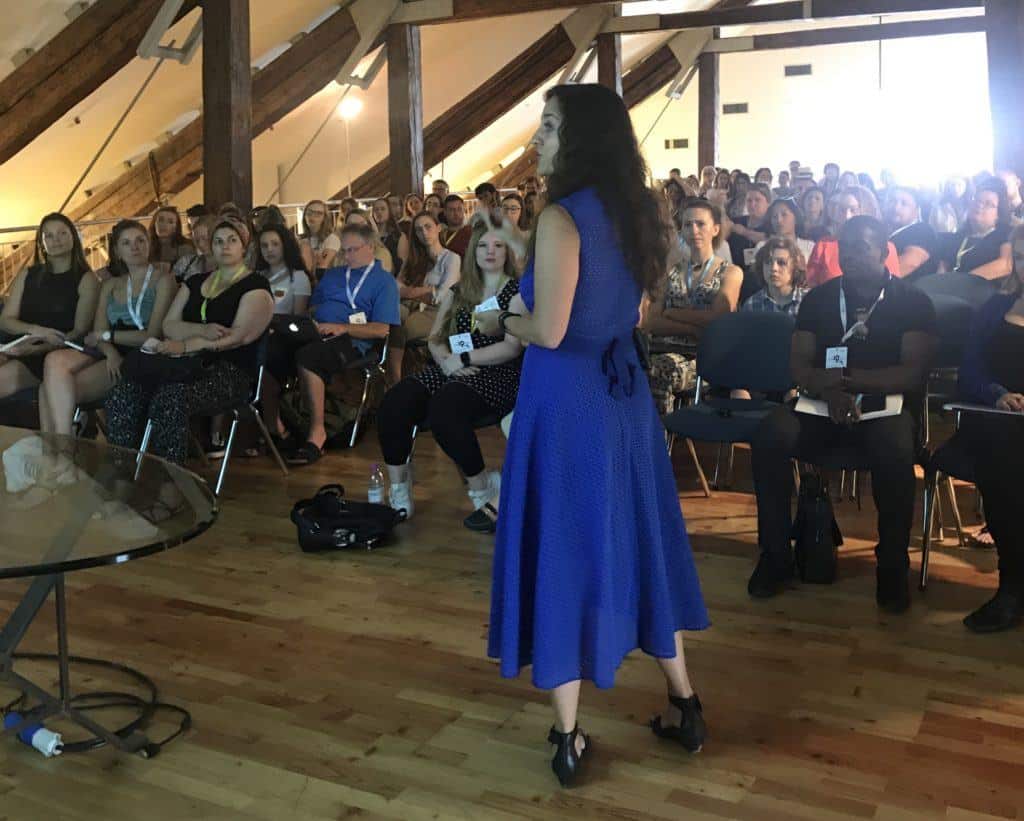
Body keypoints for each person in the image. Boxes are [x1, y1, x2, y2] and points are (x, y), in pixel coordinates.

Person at [477, 84, 708, 788]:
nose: (537, 136)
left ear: (579, 137)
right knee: (636, 540)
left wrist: (497, 323)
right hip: (623, 395)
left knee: (565, 550)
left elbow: (548, 329)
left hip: (569, 399)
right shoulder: (638, 210)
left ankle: (569, 734)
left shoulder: (562, 216)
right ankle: (686, 703)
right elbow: (633, 314)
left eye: (548, 125)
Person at [748, 216, 936, 612]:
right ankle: (776, 556)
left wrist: (848, 381)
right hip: (824, 405)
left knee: (896, 448)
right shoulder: (819, 299)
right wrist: (831, 390)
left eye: (861, 247)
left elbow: (912, 372)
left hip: (885, 409)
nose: (850, 255)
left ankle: (891, 566)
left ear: (884, 248)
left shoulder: (911, 301)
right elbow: (799, 366)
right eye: (845, 247)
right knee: (771, 433)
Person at [377, 217, 523, 530]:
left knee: (446, 409)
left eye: (498, 245)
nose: (490, 252)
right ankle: (400, 488)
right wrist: (445, 361)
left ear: (508, 251)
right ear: (473, 251)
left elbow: (512, 348)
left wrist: (464, 359)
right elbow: (435, 338)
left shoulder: (517, 291)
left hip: (498, 372)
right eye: (482, 245)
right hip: (451, 366)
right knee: (396, 400)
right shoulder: (460, 290)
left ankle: (482, 489)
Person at [105, 218, 275, 465]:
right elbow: (169, 326)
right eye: (218, 241)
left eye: (232, 241)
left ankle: (171, 482)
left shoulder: (256, 285)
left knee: (169, 399)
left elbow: (236, 337)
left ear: (244, 247)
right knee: (122, 393)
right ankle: (124, 472)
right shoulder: (195, 282)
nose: (224, 247)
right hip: (181, 365)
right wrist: (202, 331)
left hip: (228, 371)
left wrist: (186, 343)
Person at [40, 220, 175, 436]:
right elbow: (98, 332)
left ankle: (62, 450)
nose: (135, 247)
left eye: (140, 240)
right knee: (51, 374)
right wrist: (110, 350)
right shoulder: (111, 285)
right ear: (117, 251)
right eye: (126, 243)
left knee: (53, 390)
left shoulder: (163, 280)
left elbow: (152, 334)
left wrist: (107, 337)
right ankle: (55, 450)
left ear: (149, 245)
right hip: (111, 350)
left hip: (143, 352)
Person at [956, 223, 1024, 632]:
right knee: (1003, 454)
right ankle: (1012, 587)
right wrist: (998, 393)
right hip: (995, 420)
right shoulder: (993, 309)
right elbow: (968, 372)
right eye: (1021, 256)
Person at [286, 223, 399, 465]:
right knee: (274, 350)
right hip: (319, 331)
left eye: (352, 250)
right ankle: (279, 429)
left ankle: (317, 433)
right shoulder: (335, 275)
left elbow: (381, 329)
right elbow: (313, 307)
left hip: (354, 340)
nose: (346, 256)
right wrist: (313, 322)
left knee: (310, 356)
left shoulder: (384, 281)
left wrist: (342, 327)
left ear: (370, 248)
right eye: (343, 251)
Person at [644, 199, 743, 415]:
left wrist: (671, 313)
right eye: (687, 225)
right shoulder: (669, 271)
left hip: (704, 358)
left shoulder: (731, 272)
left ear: (715, 229)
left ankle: (658, 444)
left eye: (700, 224)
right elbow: (651, 320)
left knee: (659, 371)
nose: (693, 230)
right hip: (660, 350)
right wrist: (693, 328)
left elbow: (718, 317)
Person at [0, 213, 101, 402]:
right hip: (17, 345)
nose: (56, 240)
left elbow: (78, 332)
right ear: (42, 243)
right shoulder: (28, 274)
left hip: (51, 353)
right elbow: (6, 320)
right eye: (49, 236)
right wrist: (36, 331)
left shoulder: (87, 279)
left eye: (62, 233)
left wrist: (37, 348)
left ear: (74, 237)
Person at [252, 224, 313, 445]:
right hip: (255, 334)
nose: (269, 250)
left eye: (275, 244)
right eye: (264, 245)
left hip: (285, 339)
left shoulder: (298, 277)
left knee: (265, 356)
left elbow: (298, 318)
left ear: (285, 246)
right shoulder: (256, 277)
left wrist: (273, 325)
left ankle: (274, 423)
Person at [388, 213, 462, 383]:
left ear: (438, 228)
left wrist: (411, 291)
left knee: (399, 327)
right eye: (419, 230)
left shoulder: (451, 258)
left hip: (439, 313)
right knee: (388, 318)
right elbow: (396, 288)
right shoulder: (413, 258)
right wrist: (425, 290)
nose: (424, 233)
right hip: (410, 307)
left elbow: (442, 295)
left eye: (428, 227)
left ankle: (395, 382)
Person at [806, 186, 900, 288]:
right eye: (842, 210)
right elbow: (810, 287)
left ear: (868, 210)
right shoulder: (824, 245)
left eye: (853, 210)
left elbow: (892, 289)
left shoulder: (885, 247)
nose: (847, 216)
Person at [945, 177, 1013, 281]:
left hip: (981, 291)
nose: (979, 205)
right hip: (948, 290)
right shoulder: (959, 235)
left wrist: (961, 281)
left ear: (998, 214)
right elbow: (943, 267)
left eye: (988, 204)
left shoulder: (1006, 233)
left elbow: (1006, 265)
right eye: (977, 200)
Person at [741, 237, 807, 316]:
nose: (773, 268)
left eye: (781, 263)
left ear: (795, 266)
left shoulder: (808, 301)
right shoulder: (751, 305)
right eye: (768, 262)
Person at [885, 186, 939, 282]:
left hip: (907, 290)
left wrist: (871, 281)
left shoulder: (923, 230)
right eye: (892, 201)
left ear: (916, 210)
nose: (896, 207)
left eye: (904, 204)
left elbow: (910, 263)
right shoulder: (882, 230)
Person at [727, 182, 771, 268]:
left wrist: (744, 232)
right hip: (734, 273)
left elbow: (771, 239)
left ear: (768, 203)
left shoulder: (773, 225)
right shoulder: (736, 221)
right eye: (749, 200)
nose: (752, 204)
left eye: (757, 200)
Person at [299, 199, 341, 276]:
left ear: (325, 218)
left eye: (318, 213)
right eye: (309, 212)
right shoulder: (300, 240)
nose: (312, 216)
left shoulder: (332, 239)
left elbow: (322, 267)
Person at [172, 214, 216, 282]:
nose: (200, 244)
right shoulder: (185, 263)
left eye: (205, 238)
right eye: (196, 240)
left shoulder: (229, 266)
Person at [372, 197, 402, 268]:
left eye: (383, 209)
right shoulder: (368, 235)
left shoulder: (397, 235)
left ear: (389, 212)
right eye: (376, 209)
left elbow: (402, 264)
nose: (379, 212)